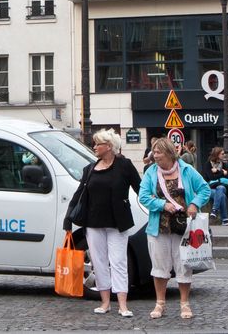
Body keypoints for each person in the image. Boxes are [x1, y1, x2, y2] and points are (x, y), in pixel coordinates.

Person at [63, 129, 141, 318]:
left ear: (109, 146)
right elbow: (79, 195)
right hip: (93, 222)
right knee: (99, 263)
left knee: (118, 262)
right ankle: (105, 303)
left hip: (117, 222)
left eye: (98, 144)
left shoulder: (124, 165)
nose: (94, 147)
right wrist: (68, 220)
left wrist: (155, 205)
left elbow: (140, 188)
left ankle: (122, 305)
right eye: (95, 144)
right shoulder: (90, 169)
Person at [138, 137, 211, 319]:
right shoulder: (151, 172)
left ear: (169, 153)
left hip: (183, 227)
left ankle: (184, 303)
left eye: (158, 152)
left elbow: (204, 189)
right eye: (154, 152)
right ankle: (160, 303)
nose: (154, 156)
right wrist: (162, 204)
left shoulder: (186, 170)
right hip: (159, 227)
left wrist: (194, 204)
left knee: (183, 265)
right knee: (159, 266)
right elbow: (143, 196)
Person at [204, 146, 228, 224]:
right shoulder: (208, 164)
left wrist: (217, 171)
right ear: (217, 154)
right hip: (210, 188)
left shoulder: (224, 164)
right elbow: (210, 177)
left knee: (221, 187)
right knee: (222, 195)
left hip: (223, 187)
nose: (224, 155)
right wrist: (221, 173)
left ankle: (214, 210)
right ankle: (225, 219)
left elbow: (226, 176)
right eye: (222, 154)